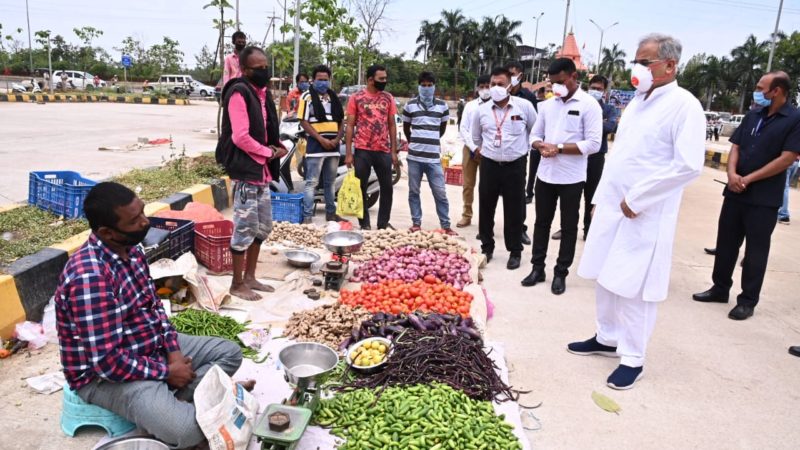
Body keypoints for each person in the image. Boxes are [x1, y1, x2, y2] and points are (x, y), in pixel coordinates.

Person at [54, 182, 252, 449]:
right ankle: (175, 399)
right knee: (186, 432)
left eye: (143, 212)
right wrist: (166, 371)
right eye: (135, 221)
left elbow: (154, 308)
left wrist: (173, 352)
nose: (145, 222)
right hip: (105, 375)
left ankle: (175, 397)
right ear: (107, 232)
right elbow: (106, 362)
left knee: (229, 353)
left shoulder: (131, 250)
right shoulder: (90, 277)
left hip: (148, 347)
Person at [569, 33, 706, 389]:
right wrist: (603, 198)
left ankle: (633, 357)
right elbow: (623, 155)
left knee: (634, 286)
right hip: (614, 205)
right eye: (637, 61)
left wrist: (639, 197)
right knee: (606, 276)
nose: (637, 69)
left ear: (670, 65)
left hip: (644, 212)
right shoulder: (638, 102)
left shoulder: (684, 105)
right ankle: (606, 336)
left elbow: (688, 165)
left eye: (645, 62)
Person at [693, 71, 800, 320]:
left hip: (763, 197)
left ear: (777, 91)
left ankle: (747, 300)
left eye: (761, 87)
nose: (757, 91)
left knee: (756, 251)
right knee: (726, 243)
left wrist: (748, 179)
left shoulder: (795, 119)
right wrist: (732, 174)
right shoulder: (753, 115)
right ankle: (720, 289)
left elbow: (786, 158)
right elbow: (737, 146)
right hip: (735, 192)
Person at [523, 58, 602, 295]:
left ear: (573, 77)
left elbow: (594, 143)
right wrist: (539, 145)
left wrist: (558, 147)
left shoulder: (589, 105)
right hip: (546, 175)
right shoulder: (547, 105)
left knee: (569, 227)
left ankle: (561, 272)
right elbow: (534, 134)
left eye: (560, 82)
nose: (556, 87)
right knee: (541, 223)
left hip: (572, 177)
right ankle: (538, 268)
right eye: (552, 82)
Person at [216, 46, 288, 301]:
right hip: (246, 171)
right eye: (258, 68)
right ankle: (237, 283)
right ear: (245, 70)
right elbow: (240, 136)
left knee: (262, 227)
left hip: (262, 172)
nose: (264, 71)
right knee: (244, 228)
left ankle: (250, 276)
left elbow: (266, 129)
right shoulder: (238, 92)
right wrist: (267, 153)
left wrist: (277, 147)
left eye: (265, 67)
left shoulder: (262, 93)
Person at [471, 66, 537, 269]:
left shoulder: (524, 107)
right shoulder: (481, 110)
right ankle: (487, 247)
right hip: (490, 164)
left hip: (515, 166)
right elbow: (475, 137)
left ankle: (515, 251)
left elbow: (535, 131)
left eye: (500, 84)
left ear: (510, 85)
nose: (496, 88)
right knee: (486, 207)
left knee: (514, 210)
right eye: (493, 84)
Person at [552, 74, 618, 241]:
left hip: (595, 157)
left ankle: (588, 230)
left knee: (592, 195)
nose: (595, 91)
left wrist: (588, 125)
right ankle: (565, 228)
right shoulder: (579, 105)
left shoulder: (609, 109)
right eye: (593, 88)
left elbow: (610, 126)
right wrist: (594, 125)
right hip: (575, 156)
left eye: (599, 89)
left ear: (604, 91)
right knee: (570, 195)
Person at [345, 64, 399, 230]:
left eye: (385, 78)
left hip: (383, 150)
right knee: (361, 187)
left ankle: (383, 224)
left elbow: (391, 125)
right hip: (363, 150)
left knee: (387, 187)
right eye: (381, 79)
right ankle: (364, 223)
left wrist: (394, 151)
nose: (384, 81)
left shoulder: (388, 98)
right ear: (370, 79)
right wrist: (348, 152)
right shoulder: (356, 98)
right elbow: (350, 125)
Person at [402, 71, 454, 234]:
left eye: (429, 85)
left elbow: (442, 129)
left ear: (434, 87)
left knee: (440, 192)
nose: (426, 88)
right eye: (423, 85)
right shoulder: (409, 105)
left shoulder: (442, 106)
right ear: (419, 86)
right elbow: (406, 128)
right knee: (414, 191)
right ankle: (416, 223)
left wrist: (430, 139)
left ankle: (446, 225)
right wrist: (416, 141)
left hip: (433, 158)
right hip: (414, 158)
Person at [298, 64, 346, 223]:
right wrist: (321, 139)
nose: (323, 83)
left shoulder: (334, 98)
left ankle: (330, 213)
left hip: (333, 148)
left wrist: (337, 140)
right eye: (320, 79)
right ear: (313, 80)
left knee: (330, 183)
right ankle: (307, 217)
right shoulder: (306, 97)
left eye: (326, 80)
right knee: (311, 182)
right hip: (316, 147)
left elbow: (341, 121)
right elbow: (304, 122)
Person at [506, 61, 536, 245]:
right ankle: (488, 229)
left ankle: (520, 229)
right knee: (492, 194)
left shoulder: (528, 98)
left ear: (520, 76)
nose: (509, 77)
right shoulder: (498, 93)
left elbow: (534, 126)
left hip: (519, 154)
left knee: (517, 194)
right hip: (497, 153)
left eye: (512, 74)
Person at [457, 75, 492, 228]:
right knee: (468, 185)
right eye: (482, 86)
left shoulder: (496, 105)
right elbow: (463, 128)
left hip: (489, 151)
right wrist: (474, 147)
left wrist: (484, 148)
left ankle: (486, 218)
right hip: (470, 150)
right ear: (477, 88)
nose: (485, 89)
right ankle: (466, 215)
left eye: (488, 86)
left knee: (487, 187)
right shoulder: (470, 106)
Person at [777, 154, 799, 224]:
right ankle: (781, 211)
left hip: (787, 162)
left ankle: (783, 214)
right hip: (795, 162)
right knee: (785, 187)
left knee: (783, 187)